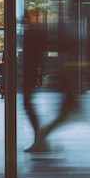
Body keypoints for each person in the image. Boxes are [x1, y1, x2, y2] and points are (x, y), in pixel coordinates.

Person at [23, 16, 80, 153]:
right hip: (41, 77)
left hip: (33, 75)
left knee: (63, 114)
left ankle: (41, 140)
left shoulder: (35, 33)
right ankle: (41, 139)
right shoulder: (38, 32)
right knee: (63, 114)